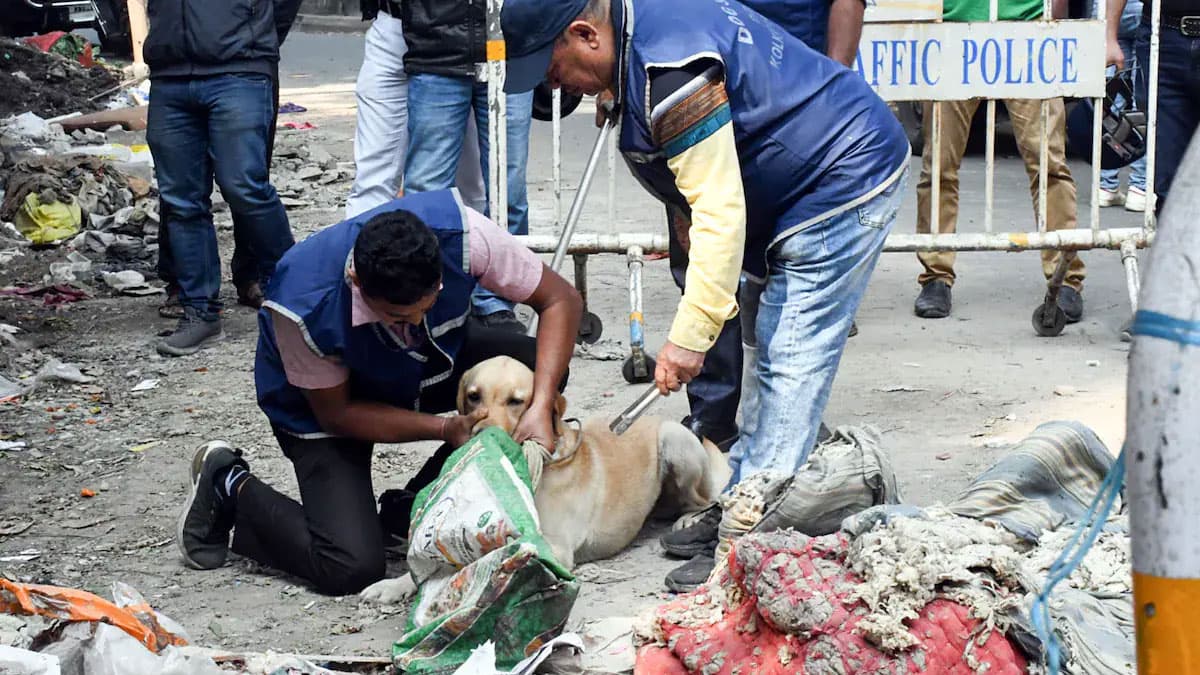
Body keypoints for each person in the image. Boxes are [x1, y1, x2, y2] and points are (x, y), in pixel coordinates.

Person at [501, 0, 910, 590]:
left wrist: (689, 340)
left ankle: (758, 539)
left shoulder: (671, 70)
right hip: (798, 179)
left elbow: (719, 214)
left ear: (587, 34)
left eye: (554, 68)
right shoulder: (638, 35)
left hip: (843, 174)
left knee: (789, 355)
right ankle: (739, 495)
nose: (556, 86)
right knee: (763, 347)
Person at [175, 189, 582, 595]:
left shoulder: (464, 235)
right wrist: (445, 428)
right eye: (400, 315)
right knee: (349, 566)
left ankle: (408, 509)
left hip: (426, 363)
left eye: (431, 302)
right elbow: (340, 414)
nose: (420, 318)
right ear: (357, 281)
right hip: (327, 407)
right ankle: (227, 484)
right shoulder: (301, 306)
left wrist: (541, 401)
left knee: (533, 373)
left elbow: (560, 299)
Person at [594, 0, 868, 454]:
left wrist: (832, 82)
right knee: (704, 262)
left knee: (779, 297)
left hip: (785, 109)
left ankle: (783, 435)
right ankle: (714, 417)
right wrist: (618, 73)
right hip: (699, 92)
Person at [912, 0, 1084, 321]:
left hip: (1030, 33)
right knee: (938, 166)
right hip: (953, 34)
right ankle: (935, 275)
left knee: (1048, 164)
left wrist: (1052, 25)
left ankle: (1065, 275)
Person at [144, 0, 299, 356]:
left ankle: (296, 294)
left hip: (239, 70)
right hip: (170, 75)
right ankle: (200, 311)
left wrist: (252, 35)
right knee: (180, 200)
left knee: (244, 186)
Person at [400, 0, 537, 333]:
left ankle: (497, 301)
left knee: (509, 190)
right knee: (426, 193)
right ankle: (428, 300)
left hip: (512, 50)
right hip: (437, 50)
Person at [343, 0, 487, 219]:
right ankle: (365, 249)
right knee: (374, 180)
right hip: (393, 27)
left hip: (453, 39)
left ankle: (473, 248)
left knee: (469, 187)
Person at [1107, 0, 1200, 215]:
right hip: (1163, 37)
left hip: (1164, 37)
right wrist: (1109, 36)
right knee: (1167, 178)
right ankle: (1175, 247)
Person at [1097, 0, 1149, 212]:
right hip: (1144, 10)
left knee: (1112, 99)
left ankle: (1106, 184)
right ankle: (1140, 186)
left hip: (1106, 11)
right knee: (1142, 98)